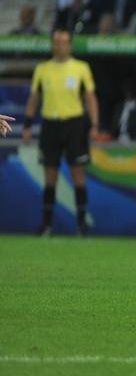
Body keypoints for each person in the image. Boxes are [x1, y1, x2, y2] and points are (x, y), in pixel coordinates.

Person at [22, 30, 100, 235]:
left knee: (78, 175)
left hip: (74, 125)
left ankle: (82, 225)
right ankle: (47, 225)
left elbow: (90, 97)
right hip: (50, 125)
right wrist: (27, 125)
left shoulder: (81, 68)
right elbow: (34, 98)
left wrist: (94, 124)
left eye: (63, 42)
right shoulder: (42, 69)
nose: (59, 46)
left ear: (70, 45)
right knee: (50, 177)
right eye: (56, 42)